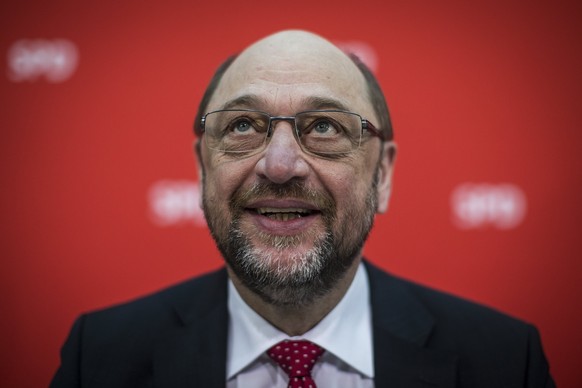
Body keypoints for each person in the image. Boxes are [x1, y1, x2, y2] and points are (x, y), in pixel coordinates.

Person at [51, 30, 554, 388]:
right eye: (243, 125)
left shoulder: (506, 362)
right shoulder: (98, 358)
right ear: (203, 170)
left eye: (325, 127)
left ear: (382, 175)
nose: (280, 164)